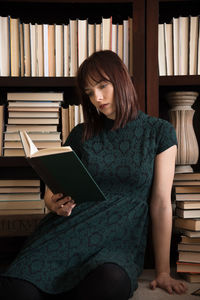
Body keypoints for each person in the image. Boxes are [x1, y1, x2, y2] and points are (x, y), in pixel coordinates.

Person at [0, 50, 187, 300]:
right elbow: (51, 192)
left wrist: (163, 271)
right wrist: (54, 204)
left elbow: (162, 204)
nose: (97, 98)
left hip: (119, 241)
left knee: (109, 285)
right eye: (89, 92)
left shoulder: (159, 131)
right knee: (17, 288)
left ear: (121, 80)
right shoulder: (80, 134)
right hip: (69, 230)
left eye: (102, 86)